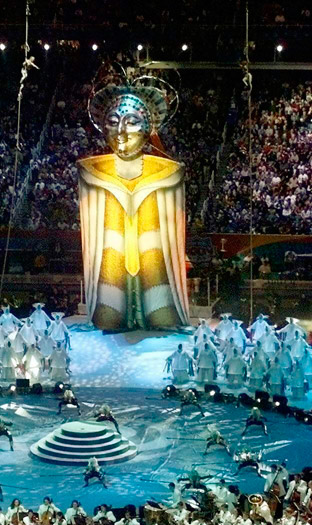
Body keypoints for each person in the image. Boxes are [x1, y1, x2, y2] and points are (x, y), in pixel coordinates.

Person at [78, 70, 190, 330]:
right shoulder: (92, 171)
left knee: (158, 296)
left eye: (130, 122)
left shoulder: (167, 173)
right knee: (109, 305)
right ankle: (113, 311)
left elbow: (172, 234)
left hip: (154, 270)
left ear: (148, 128)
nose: (121, 131)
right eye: (114, 121)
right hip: (111, 266)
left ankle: (157, 312)